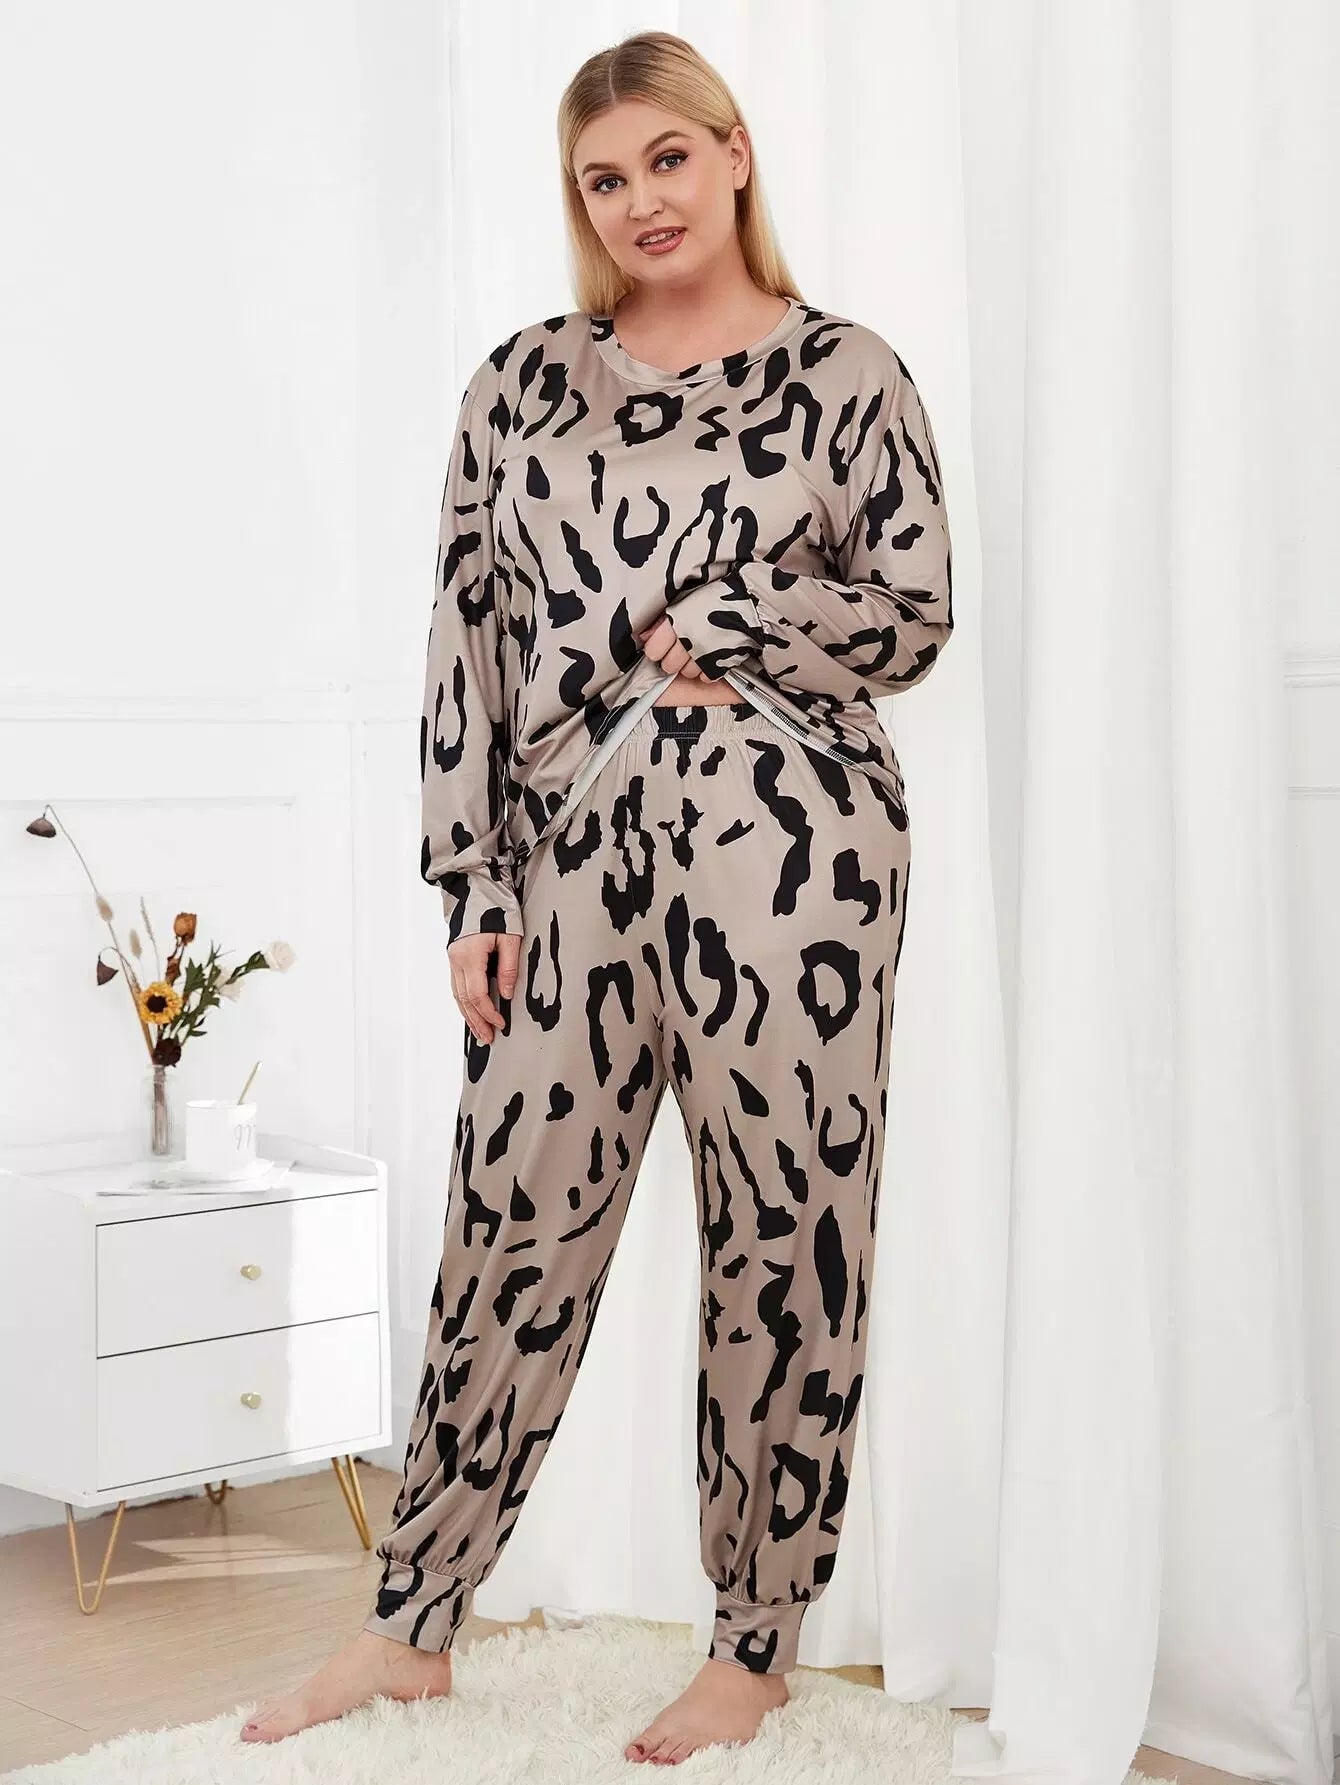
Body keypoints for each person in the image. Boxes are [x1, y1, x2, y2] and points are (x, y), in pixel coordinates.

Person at [240, 26, 952, 1766]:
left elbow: (913, 612)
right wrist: (471, 882)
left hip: (797, 864)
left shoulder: (850, 375)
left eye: (667, 159)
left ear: (734, 154)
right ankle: (410, 1623)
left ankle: (755, 1644)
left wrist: (736, 617)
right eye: (604, 178)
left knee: (784, 1237)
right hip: (570, 863)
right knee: (510, 1226)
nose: (641, 201)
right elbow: (466, 648)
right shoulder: (519, 388)